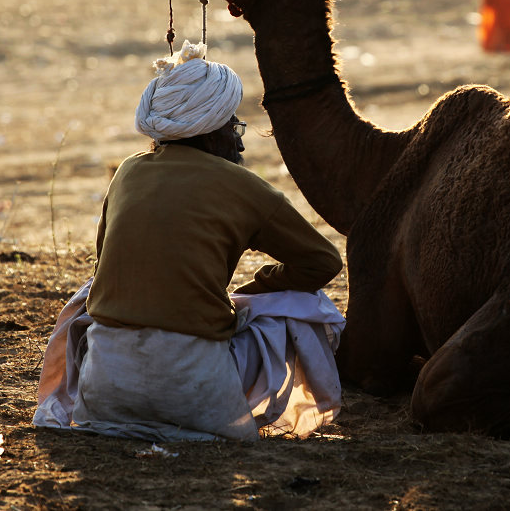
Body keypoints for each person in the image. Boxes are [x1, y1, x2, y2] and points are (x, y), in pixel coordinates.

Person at [34, 41, 345, 441]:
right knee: (310, 304)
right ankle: (247, 414)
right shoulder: (244, 187)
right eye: (235, 128)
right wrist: (256, 290)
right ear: (212, 134)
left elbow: (105, 269)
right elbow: (324, 262)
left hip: (106, 390)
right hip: (192, 393)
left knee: (87, 295)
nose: (241, 143)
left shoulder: (127, 172)